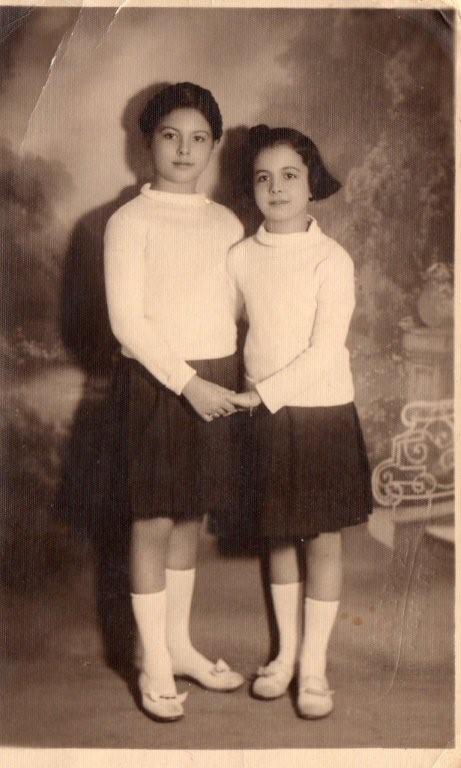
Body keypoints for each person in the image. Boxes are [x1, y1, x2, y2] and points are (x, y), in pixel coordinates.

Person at [104, 82, 247, 722]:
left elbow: (234, 307)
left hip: (217, 377)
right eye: (171, 136)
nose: (185, 150)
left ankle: (179, 645)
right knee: (153, 520)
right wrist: (188, 383)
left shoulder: (226, 223)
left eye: (198, 138)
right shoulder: (128, 222)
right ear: (148, 143)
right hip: (158, 384)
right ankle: (152, 661)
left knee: (191, 515)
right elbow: (128, 323)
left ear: (214, 146)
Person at [229, 125, 373, 719]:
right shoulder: (240, 257)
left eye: (290, 175)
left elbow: (324, 350)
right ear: (251, 188)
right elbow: (227, 326)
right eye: (263, 177)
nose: (277, 187)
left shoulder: (331, 259)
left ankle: (314, 667)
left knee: (322, 539)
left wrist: (260, 394)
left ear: (312, 183)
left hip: (320, 413)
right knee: (279, 536)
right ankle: (285, 655)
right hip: (263, 416)